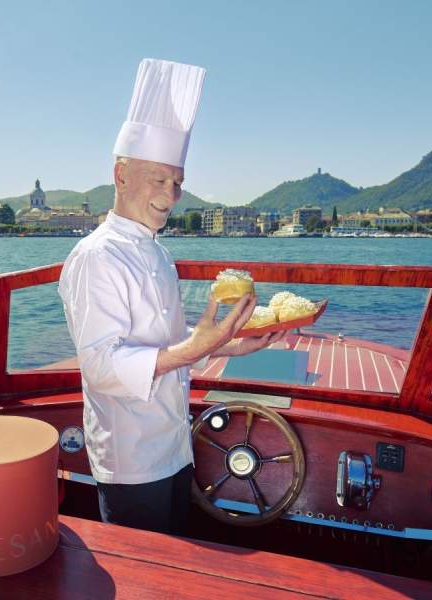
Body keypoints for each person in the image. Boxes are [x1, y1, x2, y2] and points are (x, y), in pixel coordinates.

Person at [58, 58, 286, 535]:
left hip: (175, 443)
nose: (171, 194)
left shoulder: (159, 253)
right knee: (145, 571)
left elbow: (167, 341)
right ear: (120, 175)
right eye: (159, 179)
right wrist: (198, 345)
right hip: (131, 457)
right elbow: (101, 366)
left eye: (177, 182)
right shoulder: (95, 257)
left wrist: (227, 343)